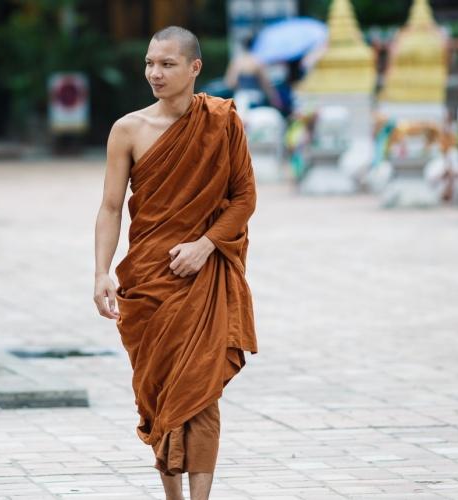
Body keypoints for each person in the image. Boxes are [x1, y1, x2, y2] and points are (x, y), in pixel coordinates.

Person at [93, 26, 258, 500]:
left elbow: (243, 199)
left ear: (194, 69)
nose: (155, 73)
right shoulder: (128, 130)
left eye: (166, 64)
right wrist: (101, 271)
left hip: (202, 279)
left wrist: (206, 244)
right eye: (150, 63)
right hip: (147, 281)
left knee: (200, 392)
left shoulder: (222, 121)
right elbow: (109, 207)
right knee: (159, 390)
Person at [223, 35, 281, 110]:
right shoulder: (257, 62)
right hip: (256, 98)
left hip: (241, 98)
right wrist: (274, 98)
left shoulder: (237, 62)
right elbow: (265, 84)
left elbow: (230, 83)